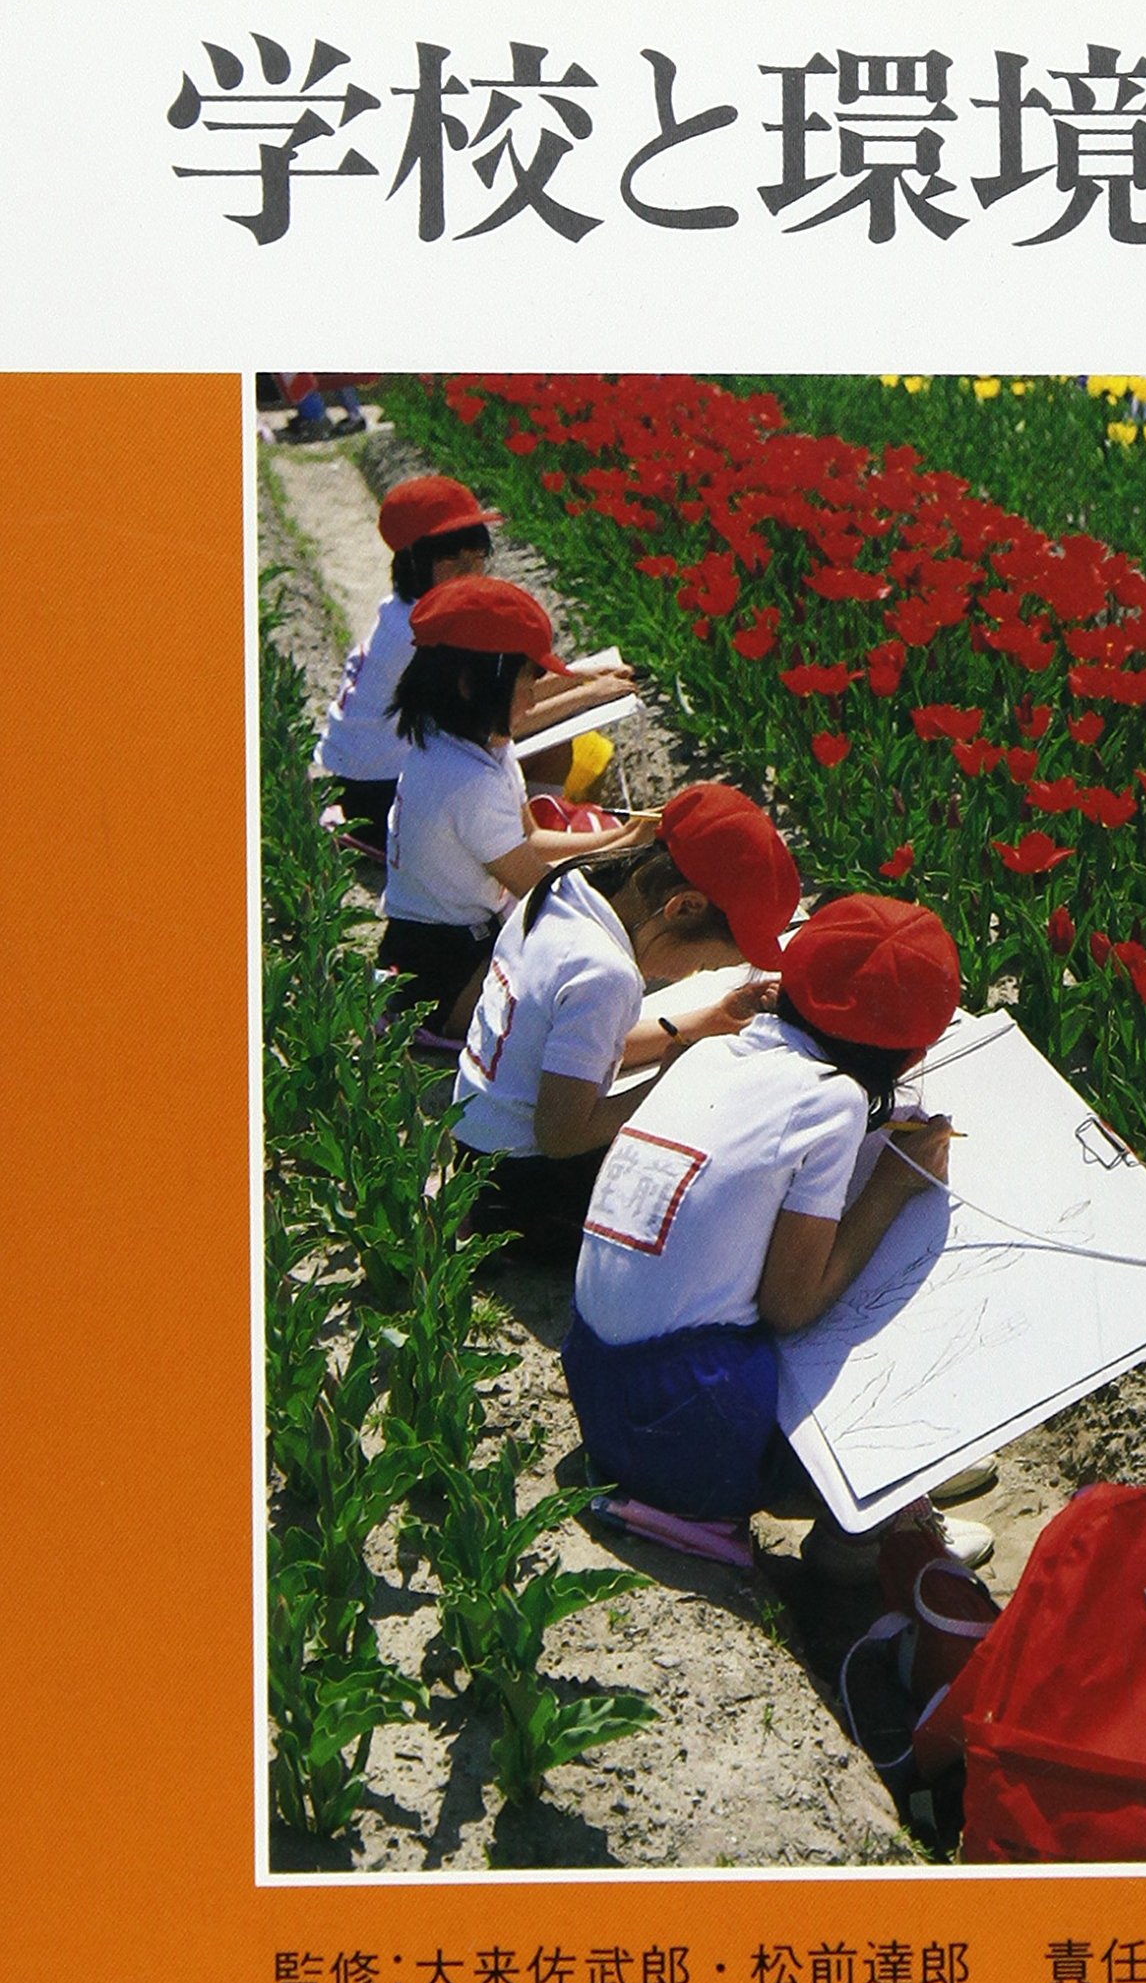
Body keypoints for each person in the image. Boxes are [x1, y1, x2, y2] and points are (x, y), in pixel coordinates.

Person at [560, 895, 972, 1554]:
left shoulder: (707, 1055)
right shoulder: (833, 1099)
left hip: (596, 1379)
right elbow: (790, 1305)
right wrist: (893, 1186)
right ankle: (869, 1532)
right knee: (834, 1357)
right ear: (910, 1057)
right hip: (690, 1423)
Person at [452, 783, 801, 1264]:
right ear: (683, 907)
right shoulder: (605, 974)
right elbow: (560, 1136)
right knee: (715, 1209)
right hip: (526, 1187)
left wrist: (711, 1019)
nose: (689, 976)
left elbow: (582, 1051)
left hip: (476, 1149)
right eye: (702, 965)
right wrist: (667, 1085)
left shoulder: (564, 891)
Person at [378, 575, 653, 1040]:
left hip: (441, 941)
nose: (531, 700)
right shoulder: (465, 781)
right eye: (525, 685)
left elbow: (531, 839)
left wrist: (622, 838)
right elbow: (542, 890)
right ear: (471, 685)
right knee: (584, 1005)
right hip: (445, 972)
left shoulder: (468, 739)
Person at [314, 473, 635, 871]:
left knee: (555, 738)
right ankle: (527, 845)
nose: (470, 572)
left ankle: (537, 832)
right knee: (554, 747)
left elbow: (501, 694)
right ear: (414, 560)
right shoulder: (425, 635)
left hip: (360, 778)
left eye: (477, 558)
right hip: (382, 797)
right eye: (453, 560)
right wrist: (587, 694)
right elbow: (494, 717)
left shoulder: (408, 610)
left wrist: (584, 676)